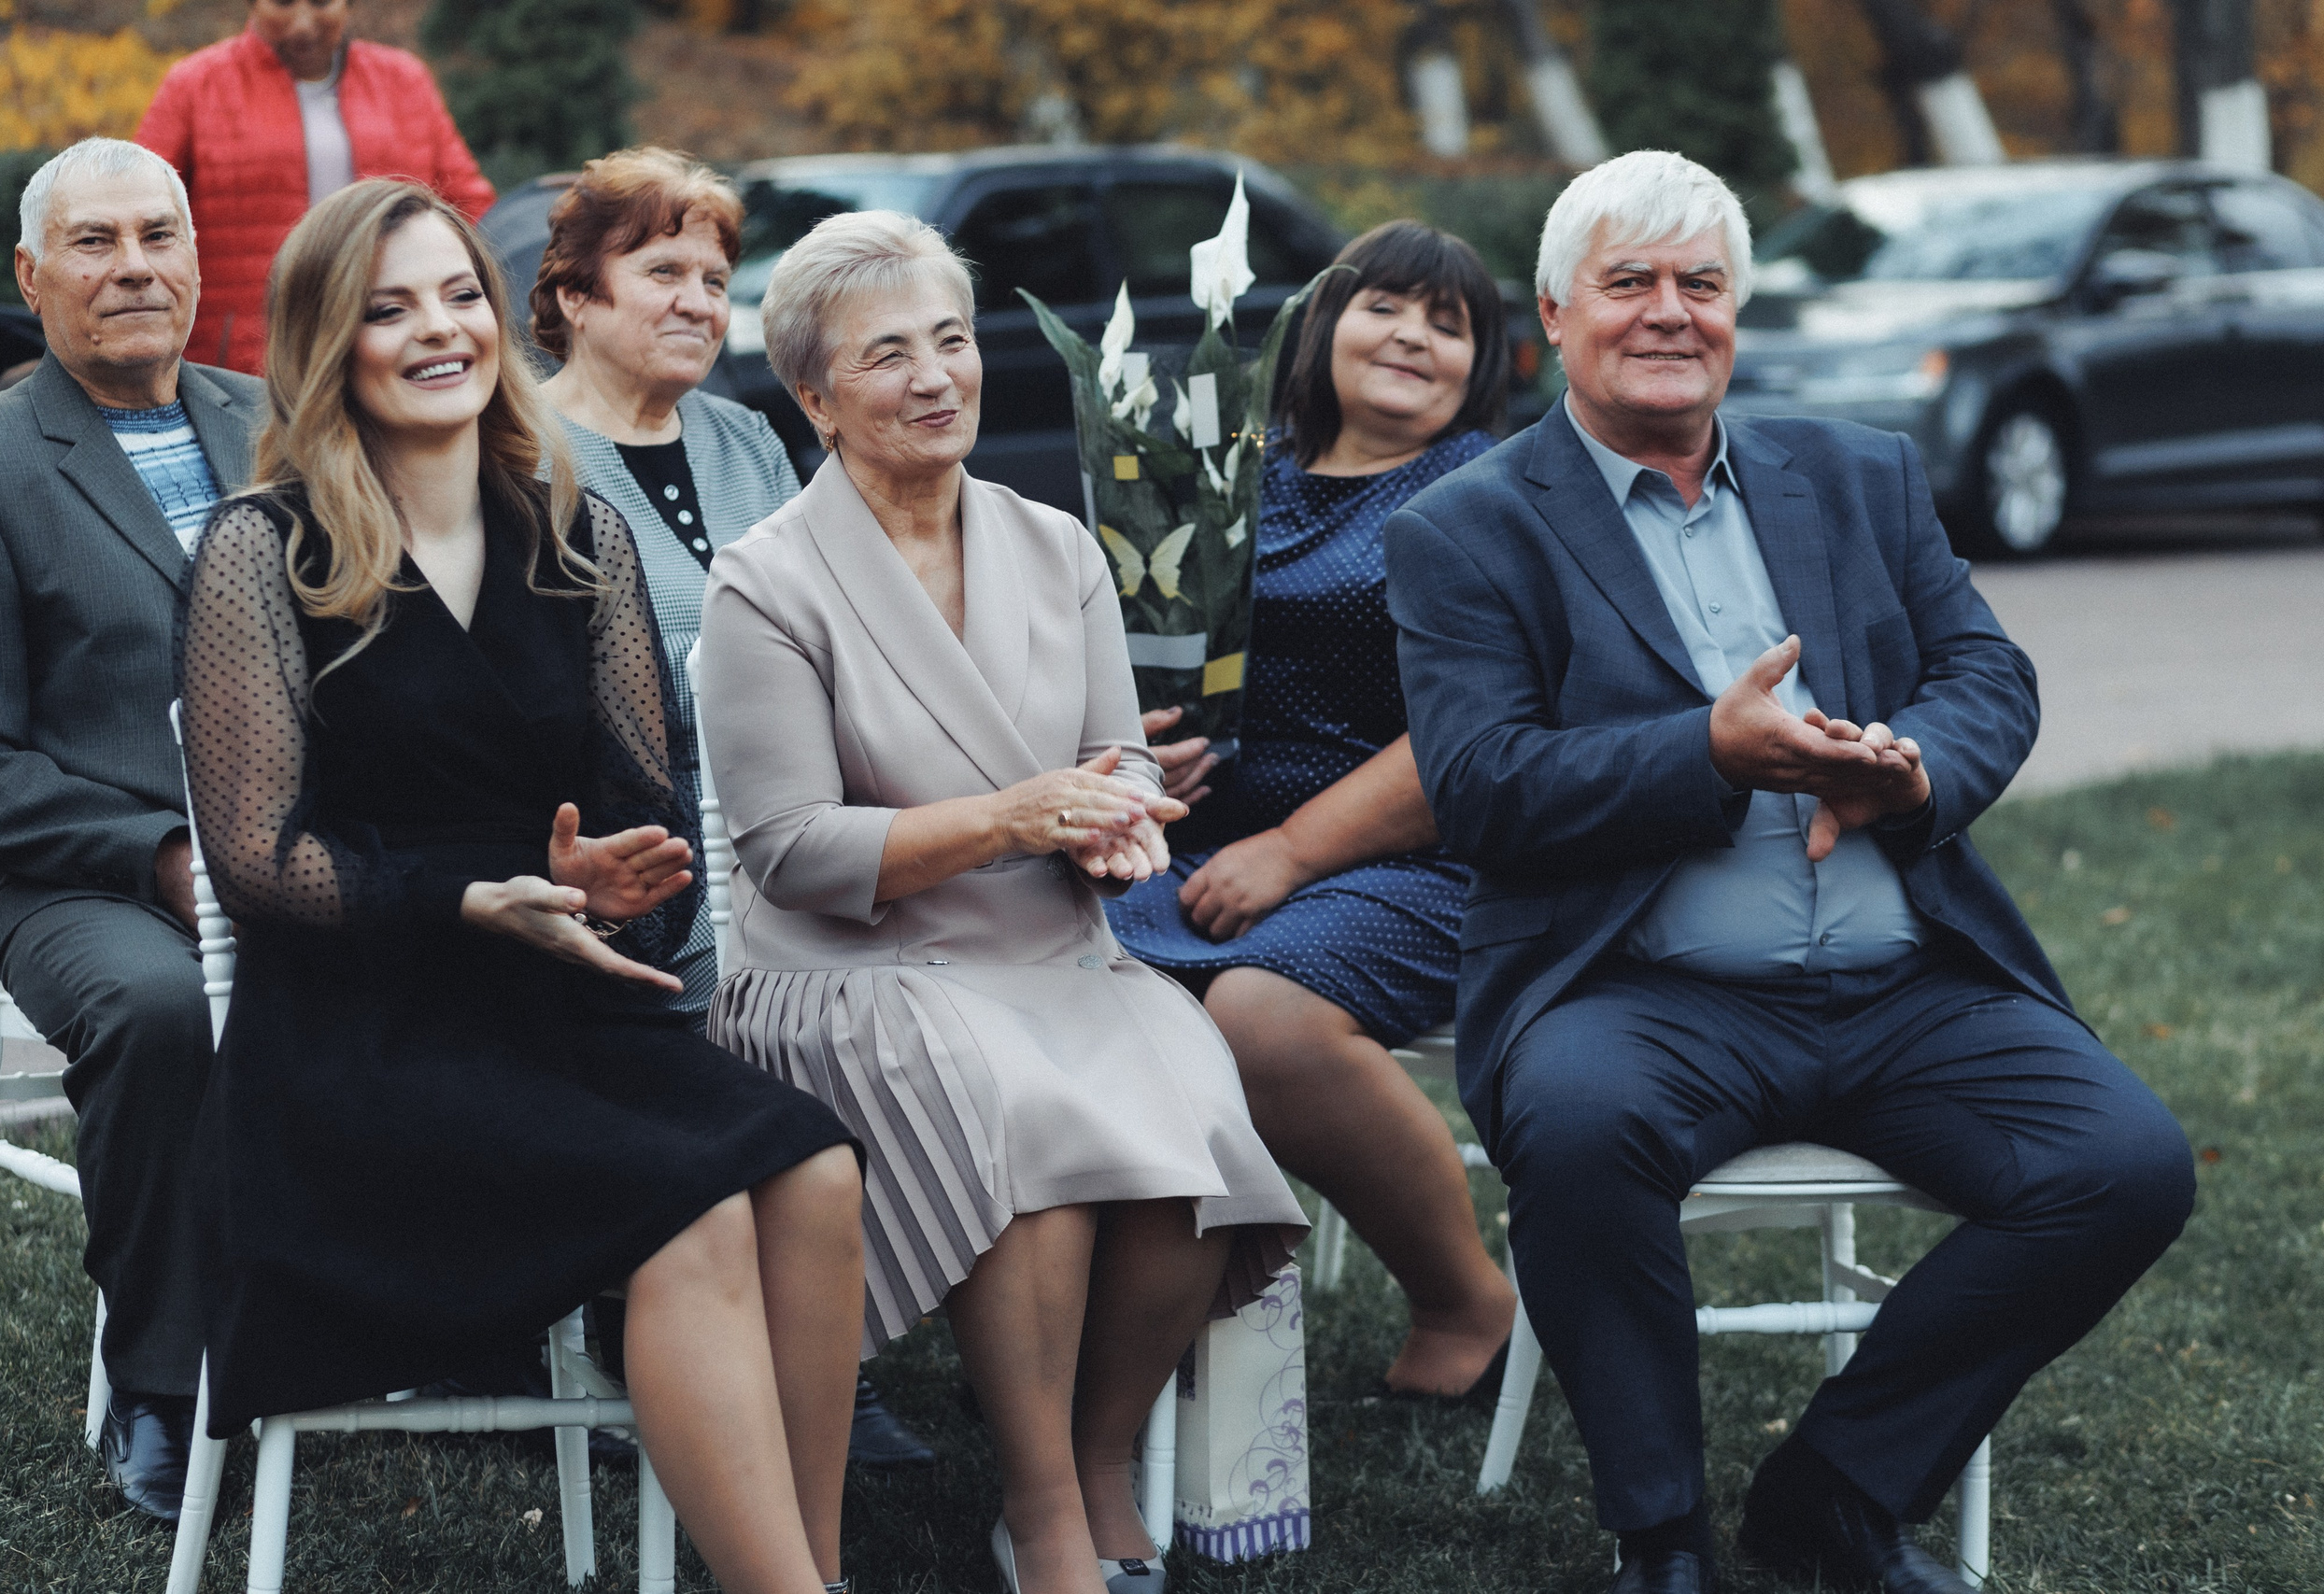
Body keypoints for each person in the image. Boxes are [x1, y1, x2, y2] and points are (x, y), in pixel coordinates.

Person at [1382, 149, 2193, 1594]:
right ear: (1554, 318)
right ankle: (1665, 1537)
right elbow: (1483, 785)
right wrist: (1711, 748)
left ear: (1737, 314)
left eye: (1703, 284)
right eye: (1629, 282)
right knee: (1574, 1131)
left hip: (1903, 980)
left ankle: (1836, 1490)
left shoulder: (1858, 472)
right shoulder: (1468, 527)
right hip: (1641, 989)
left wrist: (1915, 766)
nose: (1670, 312)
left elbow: (1985, 673)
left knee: (2123, 1165)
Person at [174, 178, 865, 1594]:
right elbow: (257, 851)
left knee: (815, 1167)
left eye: (454, 296)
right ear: (328, 343)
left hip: (561, 1001)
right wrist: (468, 897)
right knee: (694, 1201)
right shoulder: (267, 548)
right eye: (388, 308)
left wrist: (614, 876)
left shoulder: (576, 535)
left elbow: (643, 798)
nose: (438, 330)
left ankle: (815, 1562)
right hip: (363, 1032)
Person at [701, 210, 1307, 1594]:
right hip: (848, 971)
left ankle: (1101, 1454)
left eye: (955, 341)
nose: (936, 377)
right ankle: (1040, 1508)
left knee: (1199, 1111)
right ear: (812, 396)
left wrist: (1119, 828)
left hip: (1053, 946)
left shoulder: (1059, 545)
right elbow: (789, 852)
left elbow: (1118, 759)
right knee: (1022, 1115)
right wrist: (1012, 816)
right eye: (888, 355)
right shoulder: (768, 582)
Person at [533, 143, 935, 1469]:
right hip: (629, 861)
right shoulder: (517, 454)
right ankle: (673, 1325)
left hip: (789, 828)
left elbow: (852, 623)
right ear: (576, 296)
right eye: (663, 271)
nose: (702, 299)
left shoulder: (747, 435)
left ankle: (840, 1333)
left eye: (715, 275)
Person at [1108, 220, 1519, 1399]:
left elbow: (1477, 732)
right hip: (1205, 843)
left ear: (1479, 364)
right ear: (1323, 324)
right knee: (1045, 964)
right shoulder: (1237, 476)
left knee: (1264, 1020)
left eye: (1449, 324)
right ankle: (1133, 1295)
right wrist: (1136, 750)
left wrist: (1291, 850)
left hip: (1420, 856)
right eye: (1386, 305)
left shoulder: (1492, 491)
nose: (1413, 337)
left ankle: (1463, 1298)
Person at [0, 137, 264, 1521]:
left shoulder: (276, 417)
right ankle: (165, 1382)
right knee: (159, 1006)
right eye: (94, 242)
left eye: (157, 236)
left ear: (195, 259)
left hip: (290, 846)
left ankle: (447, 1324)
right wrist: (159, 853)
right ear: (32, 274)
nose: (133, 266)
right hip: (83, 875)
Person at [135, 0, 494, 375]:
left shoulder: (404, 80)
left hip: (387, 334)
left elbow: (471, 208)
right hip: (244, 352)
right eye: (283, 3)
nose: (303, 23)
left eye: (322, 2)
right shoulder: (195, 84)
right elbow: (137, 205)